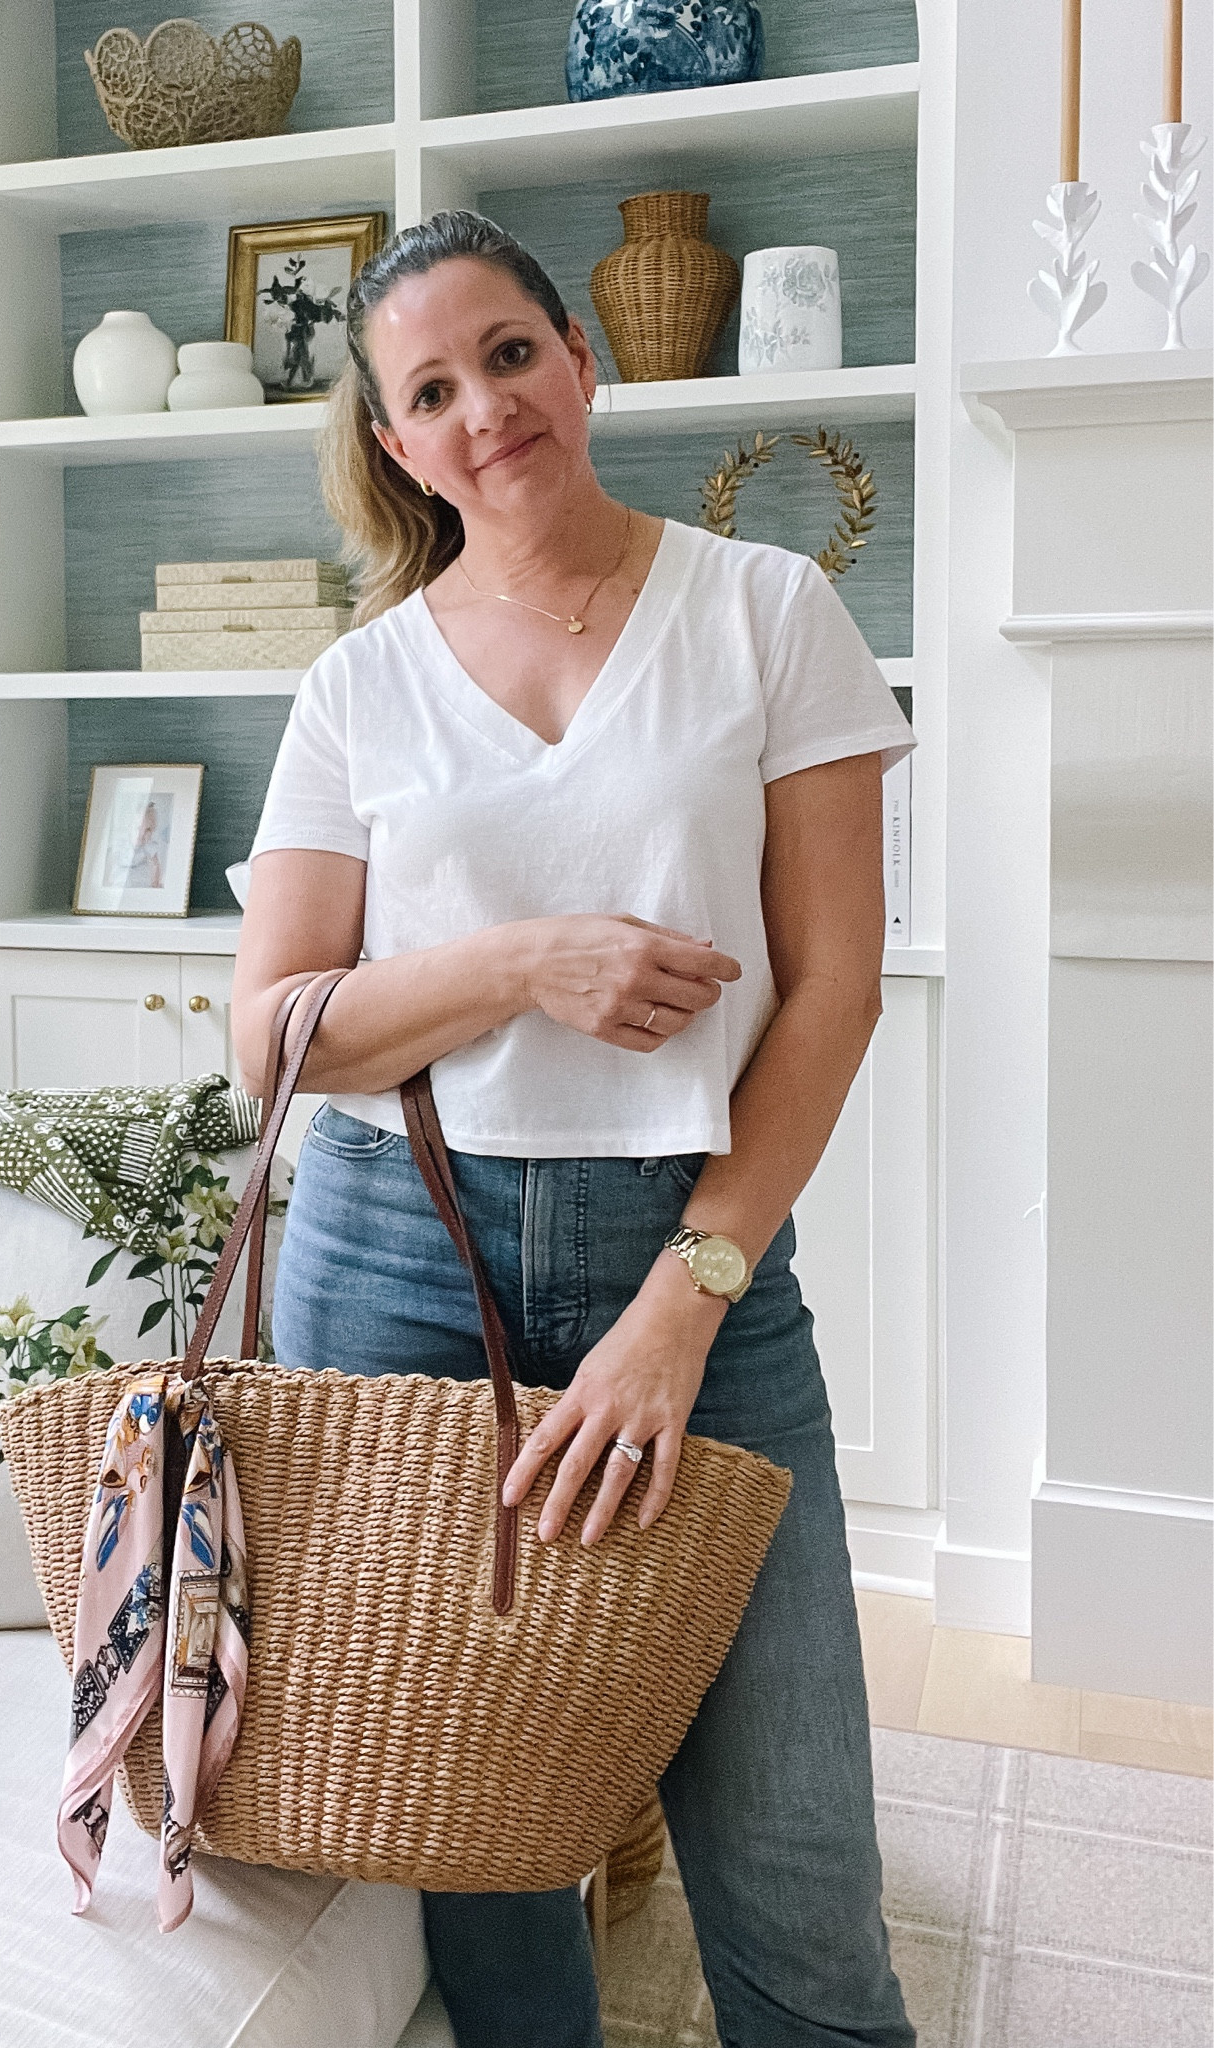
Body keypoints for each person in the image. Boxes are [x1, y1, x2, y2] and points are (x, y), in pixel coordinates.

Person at [229, 208, 917, 2048]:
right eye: (430, 391)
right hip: (391, 1271)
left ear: (582, 359)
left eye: (507, 355)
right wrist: (524, 960)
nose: (482, 410)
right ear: (397, 446)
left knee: (788, 1845)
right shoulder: (352, 687)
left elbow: (832, 989)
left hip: (689, 1246)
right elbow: (274, 1042)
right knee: (486, 1839)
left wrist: (687, 1298)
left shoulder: (768, 610)